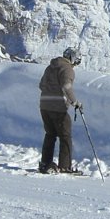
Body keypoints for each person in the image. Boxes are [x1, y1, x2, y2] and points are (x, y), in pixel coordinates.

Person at [37, 46, 82, 174]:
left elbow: (41, 85)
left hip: (44, 105)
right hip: (58, 107)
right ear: (72, 59)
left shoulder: (50, 67)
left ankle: (45, 163)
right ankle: (64, 166)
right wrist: (75, 102)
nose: (76, 65)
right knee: (65, 136)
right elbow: (66, 86)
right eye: (77, 61)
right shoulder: (67, 69)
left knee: (50, 134)